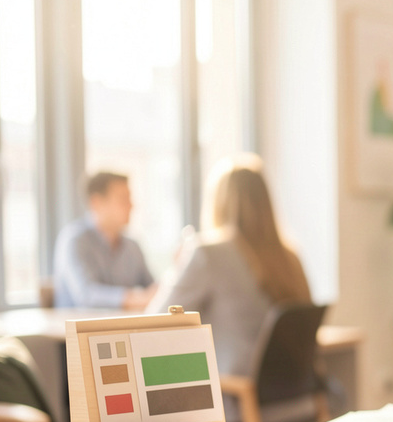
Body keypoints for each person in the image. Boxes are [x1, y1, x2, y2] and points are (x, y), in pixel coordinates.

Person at [147, 154, 312, 383]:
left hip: (239, 401)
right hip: (298, 401)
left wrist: (178, 268)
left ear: (218, 202)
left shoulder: (208, 253)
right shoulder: (290, 257)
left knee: (155, 375)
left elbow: (154, 323)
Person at [53, 172, 155, 309]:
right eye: (123, 199)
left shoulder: (132, 246)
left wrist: (176, 273)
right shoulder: (75, 240)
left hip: (123, 328)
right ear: (97, 203)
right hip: (77, 328)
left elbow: (152, 289)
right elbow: (87, 295)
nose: (131, 206)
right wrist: (136, 299)